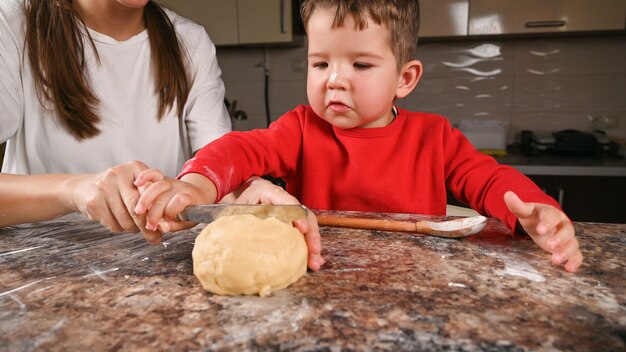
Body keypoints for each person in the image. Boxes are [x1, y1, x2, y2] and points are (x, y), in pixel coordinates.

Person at [133, 0, 583, 273]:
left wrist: (536, 211)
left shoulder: (434, 137)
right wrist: (196, 182)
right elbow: (242, 148)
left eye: (361, 65)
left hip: (416, 285)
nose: (334, 80)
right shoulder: (300, 129)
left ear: (404, 78)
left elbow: (488, 179)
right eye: (320, 63)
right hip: (322, 280)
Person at [0, 0, 271, 244]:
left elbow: (218, 168)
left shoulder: (190, 41)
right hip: (44, 266)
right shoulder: (12, 25)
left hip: (161, 265)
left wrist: (251, 189)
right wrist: (73, 190)